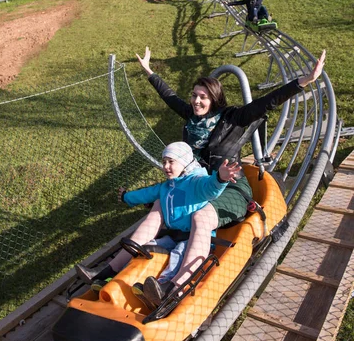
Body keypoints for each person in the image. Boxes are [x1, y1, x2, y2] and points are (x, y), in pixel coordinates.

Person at [135, 47, 326, 231]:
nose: (196, 101)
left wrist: (305, 80)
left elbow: (268, 102)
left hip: (227, 184)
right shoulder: (192, 117)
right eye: (194, 95)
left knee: (195, 215)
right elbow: (170, 97)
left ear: (214, 99)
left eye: (203, 97)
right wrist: (150, 72)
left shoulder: (233, 119)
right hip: (198, 183)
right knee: (164, 205)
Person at [76, 141, 241, 307]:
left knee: (178, 255)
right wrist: (127, 197)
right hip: (173, 236)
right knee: (146, 247)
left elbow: (210, 187)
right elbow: (146, 194)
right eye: (164, 162)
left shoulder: (196, 182)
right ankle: (110, 275)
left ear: (184, 162)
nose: (166, 167)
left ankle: (166, 288)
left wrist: (220, 178)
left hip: (191, 240)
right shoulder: (167, 186)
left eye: (171, 162)